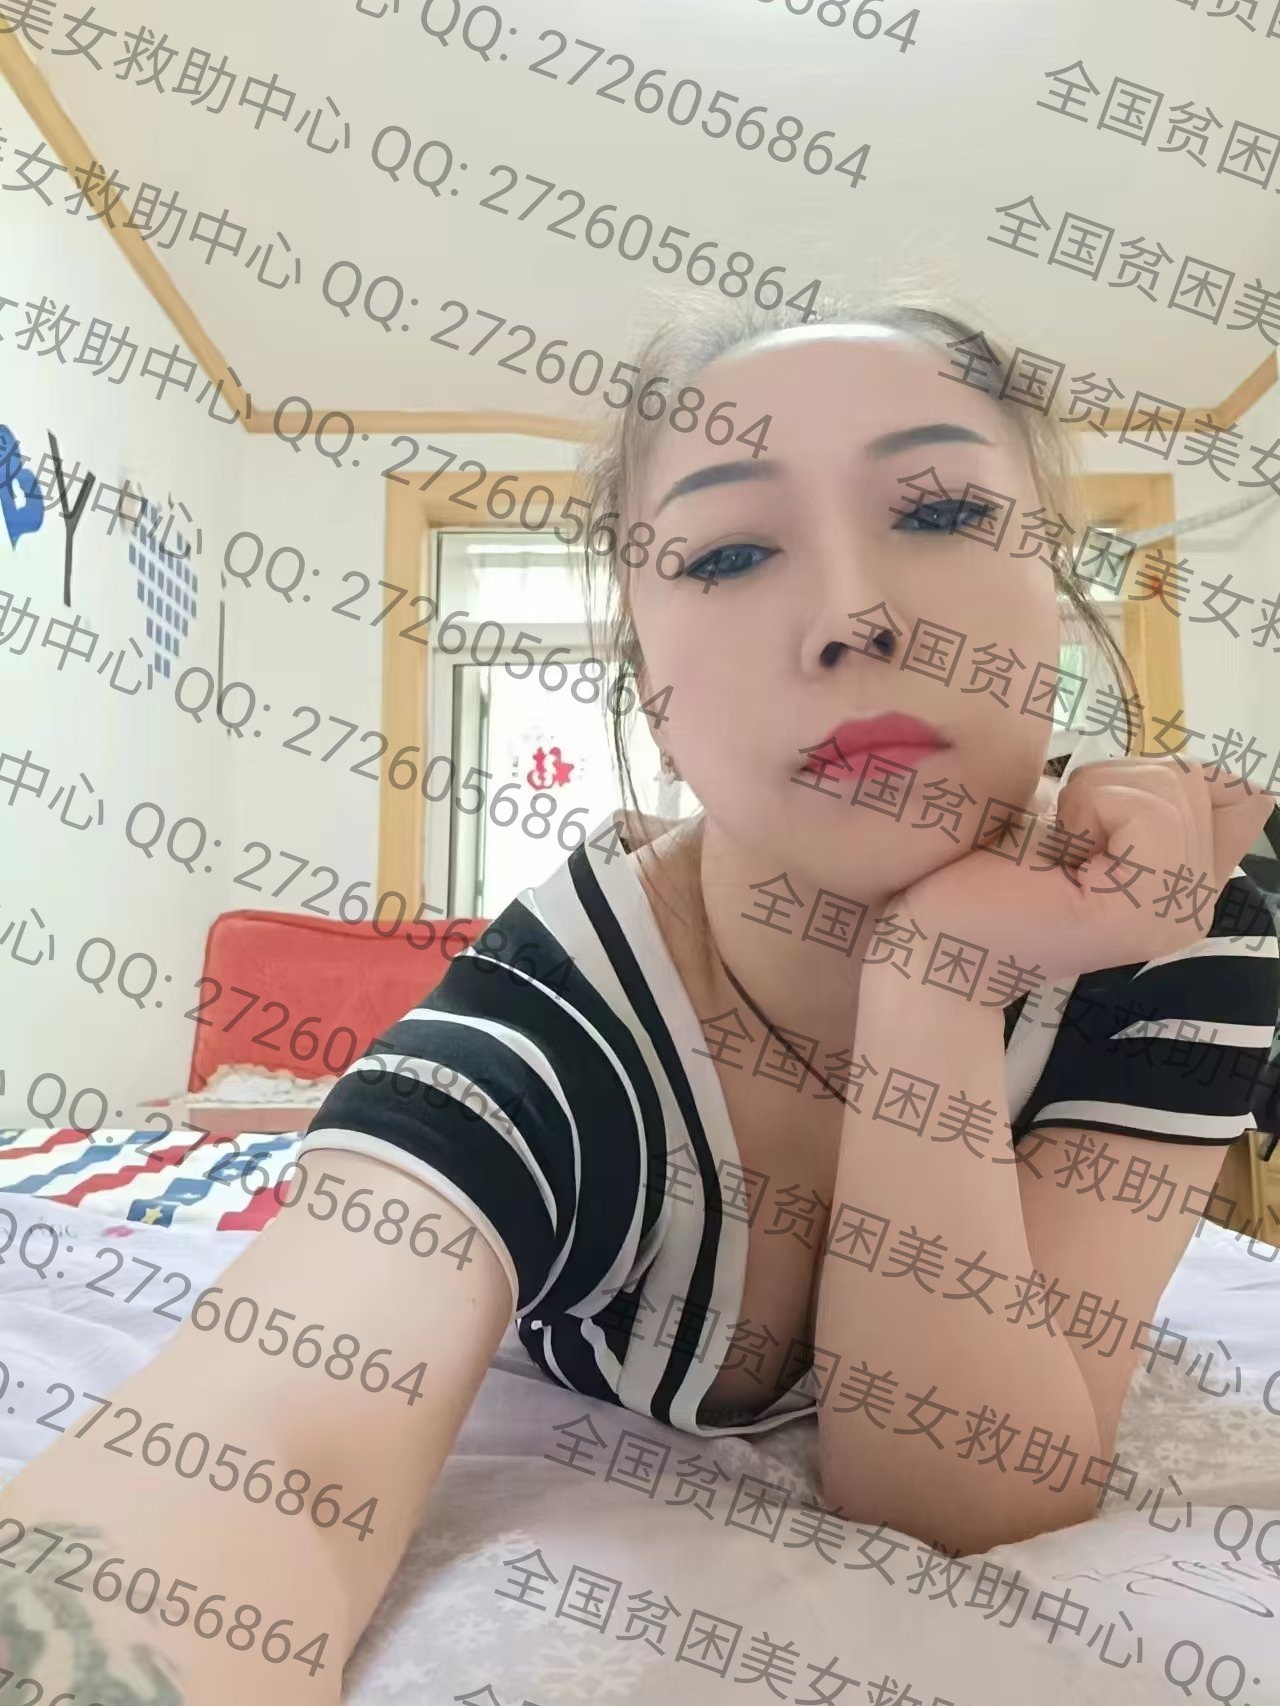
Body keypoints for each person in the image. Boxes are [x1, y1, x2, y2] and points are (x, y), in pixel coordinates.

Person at [3, 297, 1277, 1704]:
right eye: (729, 552)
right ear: (648, 688)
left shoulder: (1174, 937)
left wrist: (937, 982)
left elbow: (963, 1493)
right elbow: (265, 1460)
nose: (854, 615)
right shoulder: (546, 1027)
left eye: (942, 512)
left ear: (1060, 591)